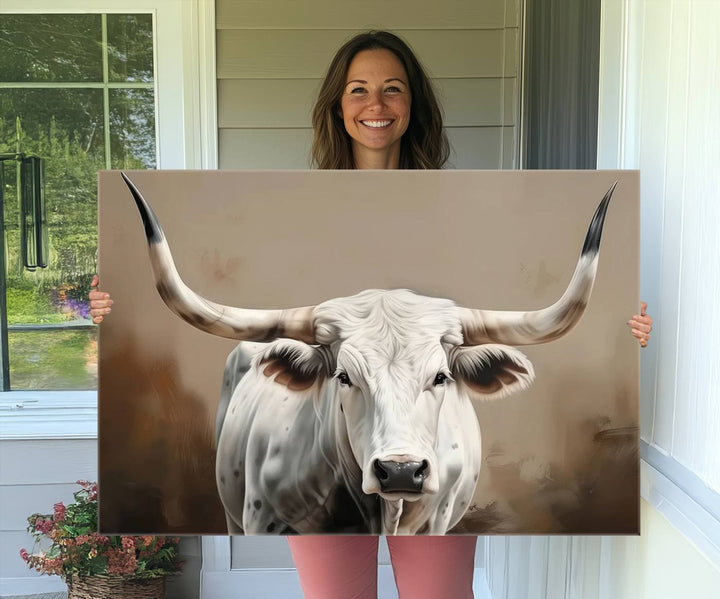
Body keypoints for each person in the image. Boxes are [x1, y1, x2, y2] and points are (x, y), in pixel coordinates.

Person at [89, 31, 653, 599]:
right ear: (338, 105)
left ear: (413, 105)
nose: (375, 106)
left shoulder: (468, 207)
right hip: (324, 430)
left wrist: (625, 330)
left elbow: (526, 305)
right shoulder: (294, 209)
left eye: (392, 90)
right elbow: (250, 305)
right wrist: (116, 307)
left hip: (429, 429)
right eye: (358, 90)